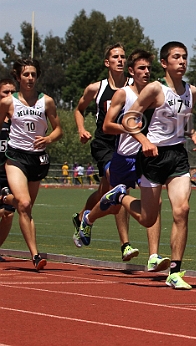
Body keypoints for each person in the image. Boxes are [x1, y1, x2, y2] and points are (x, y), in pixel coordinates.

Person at [96, 41, 196, 290]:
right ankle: (120, 196)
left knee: (182, 209)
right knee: (147, 218)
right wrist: (143, 140)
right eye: (176, 57)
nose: (182, 61)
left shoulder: (191, 91)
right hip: (153, 156)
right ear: (164, 63)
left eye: (185, 57)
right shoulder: (155, 89)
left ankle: (175, 271)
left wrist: (193, 133)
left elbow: (184, 120)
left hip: (177, 155)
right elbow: (130, 117)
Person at [75, 50, 170, 273]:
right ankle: (88, 219)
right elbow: (107, 126)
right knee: (115, 203)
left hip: (145, 157)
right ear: (132, 72)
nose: (146, 73)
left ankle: (153, 256)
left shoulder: (156, 94)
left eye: (149, 69)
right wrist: (131, 129)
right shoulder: (122, 94)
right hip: (124, 157)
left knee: (157, 203)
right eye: (141, 69)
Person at [72, 43, 139, 262]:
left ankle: (83, 217)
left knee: (104, 193)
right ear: (107, 62)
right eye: (115, 57)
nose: (120, 60)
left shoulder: (135, 86)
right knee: (118, 187)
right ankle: (125, 245)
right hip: (104, 144)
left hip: (127, 143)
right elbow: (79, 109)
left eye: (123, 57)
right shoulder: (96, 88)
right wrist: (82, 129)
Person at [0, 59, 62, 270]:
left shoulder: (47, 102)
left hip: (38, 159)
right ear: (18, 77)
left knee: (26, 208)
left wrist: (49, 139)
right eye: (26, 74)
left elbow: (58, 129)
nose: (30, 78)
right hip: (16, 158)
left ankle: (4, 197)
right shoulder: (8, 102)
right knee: (24, 204)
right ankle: (35, 256)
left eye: (33, 74)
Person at [0, 79, 17, 256]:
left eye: (13, 91)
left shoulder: (18, 121)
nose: (10, 96)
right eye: (5, 92)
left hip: (12, 172)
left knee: (8, 214)